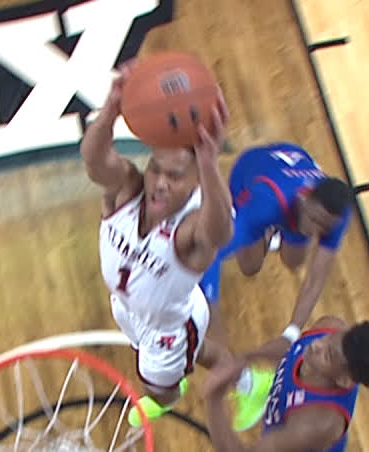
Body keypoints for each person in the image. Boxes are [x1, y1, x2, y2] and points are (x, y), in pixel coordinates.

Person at [81, 62, 273, 430]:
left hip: (169, 326)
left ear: (194, 182)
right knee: (195, 351)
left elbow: (220, 233)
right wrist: (111, 108)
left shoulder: (190, 226)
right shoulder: (127, 191)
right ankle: (249, 379)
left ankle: (178, 392)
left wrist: (209, 164)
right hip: (130, 306)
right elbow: (93, 162)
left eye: (175, 176)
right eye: (156, 169)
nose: (160, 183)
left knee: (160, 387)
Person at [199, 143, 354, 346]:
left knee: (294, 261)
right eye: (315, 221)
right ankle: (264, 231)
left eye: (324, 228)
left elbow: (315, 278)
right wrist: (212, 314)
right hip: (250, 171)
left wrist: (291, 334)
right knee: (250, 267)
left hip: (291, 178)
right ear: (304, 199)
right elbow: (210, 252)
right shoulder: (263, 204)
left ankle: (274, 230)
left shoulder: (339, 217)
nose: (316, 231)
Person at [204, 315, 369, 452]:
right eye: (329, 338)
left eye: (328, 355)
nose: (316, 344)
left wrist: (213, 399)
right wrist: (249, 356)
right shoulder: (330, 324)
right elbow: (289, 352)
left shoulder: (317, 424)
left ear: (344, 380)